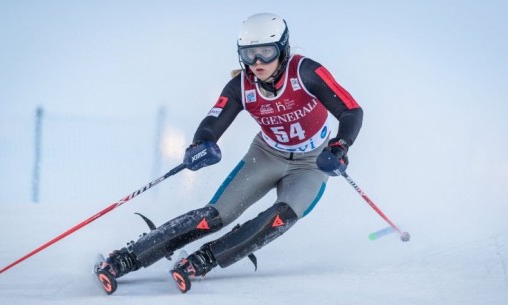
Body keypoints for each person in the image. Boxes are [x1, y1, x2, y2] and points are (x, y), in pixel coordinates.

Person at [94, 12, 363, 294]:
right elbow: (214, 120)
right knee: (216, 215)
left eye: (266, 52)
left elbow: (351, 110)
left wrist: (340, 146)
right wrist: (202, 144)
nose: (257, 62)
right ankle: (124, 259)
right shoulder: (242, 87)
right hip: (267, 156)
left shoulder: (306, 72)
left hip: (312, 163)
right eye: (249, 55)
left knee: (281, 216)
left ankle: (204, 259)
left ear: (282, 49)